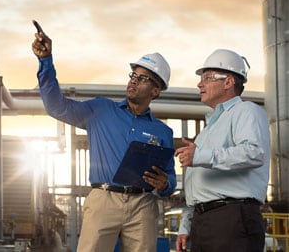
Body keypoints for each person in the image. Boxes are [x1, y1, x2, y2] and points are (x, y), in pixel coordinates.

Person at [31, 21, 176, 252]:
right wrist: (45, 61)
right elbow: (56, 107)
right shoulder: (100, 110)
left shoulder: (163, 132)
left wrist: (166, 184)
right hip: (104, 198)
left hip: (143, 204)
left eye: (143, 78)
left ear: (156, 91)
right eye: (133, 75)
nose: (133, 81)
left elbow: (170, 178)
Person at [174, 49, 270, 252]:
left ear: (229, 82)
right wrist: (186, 224)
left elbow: (253, 152)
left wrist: (199, 155)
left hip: (232, 219)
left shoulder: (247, 111)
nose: (200, 84)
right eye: (201, 78)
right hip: (203, 222)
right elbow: (196, 185)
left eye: (208, 78)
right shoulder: (207, 131)